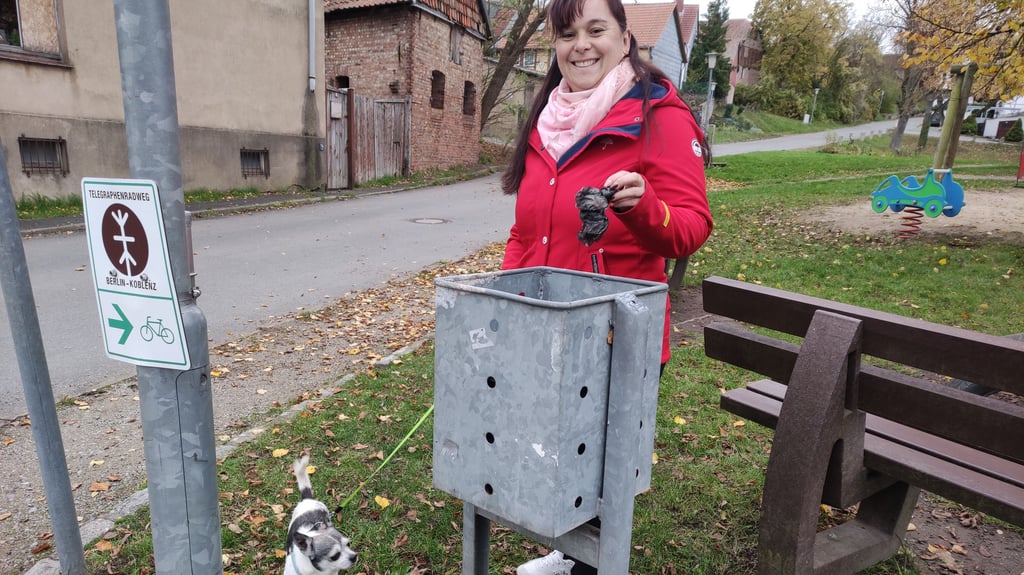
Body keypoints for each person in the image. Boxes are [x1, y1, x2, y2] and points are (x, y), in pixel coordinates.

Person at [500, 0, 713, 571]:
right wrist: (506, 299)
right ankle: (566, 554)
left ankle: (592, 563)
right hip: (550, 327)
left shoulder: (659, 116)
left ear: (625, 38)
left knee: (601, 469)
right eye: (567, 35)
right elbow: (526, 233)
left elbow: (691, 229)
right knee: (561, 453)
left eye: (596, 29)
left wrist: (644, 208)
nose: (582, 45)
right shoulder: (550, 120)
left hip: (620, 337)